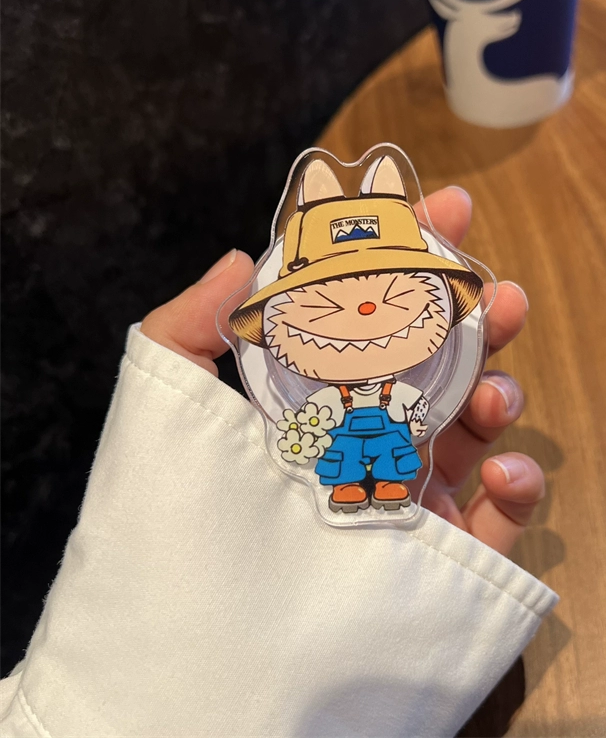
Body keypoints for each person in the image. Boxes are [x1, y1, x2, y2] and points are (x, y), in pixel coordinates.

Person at [0, 187, 557, 737]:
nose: (365, 310)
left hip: (389, 437)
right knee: (352, 465)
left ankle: (379, 492)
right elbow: (311, 422)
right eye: (327, 303)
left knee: (388, 461)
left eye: (393, 297)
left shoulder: (403, 391)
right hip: (347, 440)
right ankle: (355, 492)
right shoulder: (327, 398)